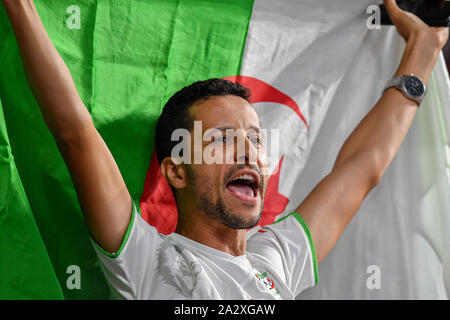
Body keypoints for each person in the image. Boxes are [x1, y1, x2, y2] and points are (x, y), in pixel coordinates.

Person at [2, 0, 448, 299]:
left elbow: (361, 167)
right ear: (176, 171)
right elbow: (75, 133)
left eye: (255, 138)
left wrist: (422, 55)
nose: (249, 152)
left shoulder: (277, 259)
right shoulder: (143, 256)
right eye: (221, 139)